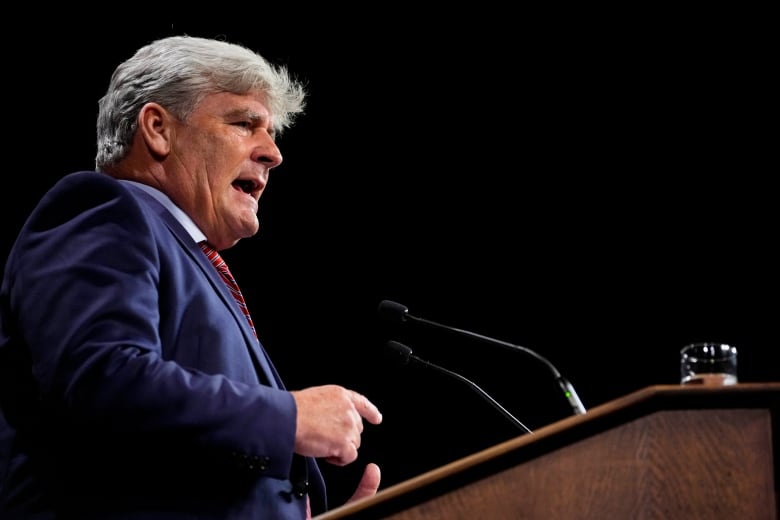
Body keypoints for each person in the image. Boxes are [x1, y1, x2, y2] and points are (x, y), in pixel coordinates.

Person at [0, 34, 383, 519]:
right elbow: (103, 380)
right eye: (245, 124)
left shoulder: (192, 258)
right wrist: (289, 419)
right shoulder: (102, 210)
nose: (273, 153)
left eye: (271, 134)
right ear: (158, 128)